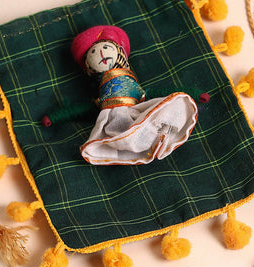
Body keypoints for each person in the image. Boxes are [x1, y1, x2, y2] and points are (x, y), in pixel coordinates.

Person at [70, 25, 198, 165]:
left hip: (136, 107)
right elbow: (80, 109)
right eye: (94, 52)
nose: (100, 53)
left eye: (106, 47)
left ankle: (154, 138)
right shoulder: (102, 93)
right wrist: (54, 117)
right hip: (109, 114)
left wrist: (196, 94)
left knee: (158, 112)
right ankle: (138, 142)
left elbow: (151, 93)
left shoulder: (132, 84)